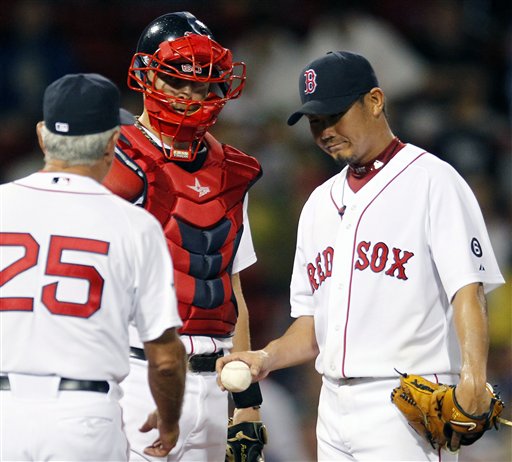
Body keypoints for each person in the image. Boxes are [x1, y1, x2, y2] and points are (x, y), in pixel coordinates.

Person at [216, 51, 505, 461]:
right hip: (332, 407)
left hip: (405, 404)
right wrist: (265, 357)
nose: (325, 131)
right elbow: (311, 327)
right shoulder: (318, 203)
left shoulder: (432, 180)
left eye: (334, 115)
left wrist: (475, 375)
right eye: (315, 122)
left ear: (374, 101)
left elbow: (468, 290)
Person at [102, 12, 266, 462]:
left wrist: (247, 403)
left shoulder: (233, 171)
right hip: (138, 375)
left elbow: (231, 288)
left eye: (203, 85)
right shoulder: (113, 160)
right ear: (147, 75)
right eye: (179, 82)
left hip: (217, 383)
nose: (192, 97)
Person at [0, 73, 186, 461]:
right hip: (80, 419)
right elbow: (166, 360)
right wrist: (169, 421)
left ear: (41, 135)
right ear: (113, 144)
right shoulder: (134, 225)